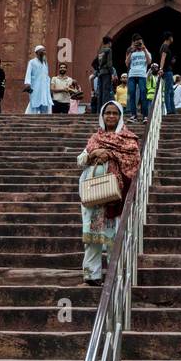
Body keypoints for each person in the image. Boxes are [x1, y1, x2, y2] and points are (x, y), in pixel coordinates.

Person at [77, 101, 141, 286]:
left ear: (120, 117)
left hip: (116, 197)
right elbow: (80, 160)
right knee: (93, 237)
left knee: (114, 236)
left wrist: (112, 155)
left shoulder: (128, 139)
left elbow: (134, 161)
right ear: (102, 116)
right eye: (107, 113)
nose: (111, 116)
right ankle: (92, 274)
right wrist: (94, 153)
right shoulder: (95, 138)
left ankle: (116, 274)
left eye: (115, 113)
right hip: (94, 195)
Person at [125, 36, 151, 121]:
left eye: (140, 43)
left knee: (143, 94)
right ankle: (133, 115)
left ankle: (145, 116)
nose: (139, 44)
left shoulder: (145, 51)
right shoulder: (132, 52)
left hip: (142, 75)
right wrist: (131, 51)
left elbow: (149, 61)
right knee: (132, 95)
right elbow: (126, 63)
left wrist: (144, 49)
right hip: (132, 74)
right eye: (137, 43)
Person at [23, 45, 53, 114]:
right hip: (35, 86)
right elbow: (28, 73)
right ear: (37, 52)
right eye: (43, 50)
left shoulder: (45, 63)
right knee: (35, 102)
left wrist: (49, 87)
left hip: (45, 87)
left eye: (45, 50)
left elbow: (46, 76)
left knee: (45, 102)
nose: (44, 52)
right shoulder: (32, 62)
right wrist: (27, 83)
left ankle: (44, 119)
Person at [92, 36, 115, 112]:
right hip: (106, 73)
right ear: (109, 43)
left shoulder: (100, 52)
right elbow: (109, 63)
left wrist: (98, 70)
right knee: (106, 92)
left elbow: (93, 63)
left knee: (100, 92)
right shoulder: (108, 50)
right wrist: (112, 73)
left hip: (100, 74)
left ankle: (99, 110)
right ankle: (105, 110)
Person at [157, 32, 176, 115]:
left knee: (171, 91)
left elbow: (166, 58)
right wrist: (161, 69)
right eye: (172, 37)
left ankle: (172, 109)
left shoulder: (165, 46)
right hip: (167, 71)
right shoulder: (164, 46)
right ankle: (169, 110)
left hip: (168, 70)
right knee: (168, 91)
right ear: (169, 38)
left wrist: (171, 61)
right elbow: (163, 57)